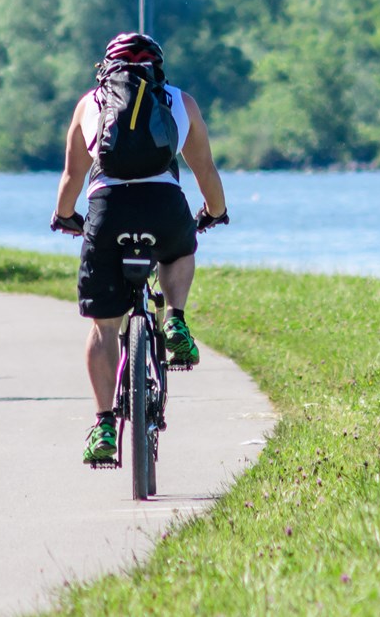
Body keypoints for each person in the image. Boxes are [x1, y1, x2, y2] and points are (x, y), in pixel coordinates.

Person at [51, 32, 229, 465]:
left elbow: (73, 175)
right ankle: (176, 320)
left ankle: (105, 424)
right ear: (158, 67)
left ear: (105, 67)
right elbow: (203, 166)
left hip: (108, 211)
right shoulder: (179, 102)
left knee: (103, 328)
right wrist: (214, 212)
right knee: (179, 248)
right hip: (163, 206)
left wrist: (65, 216)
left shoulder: (90, 103)